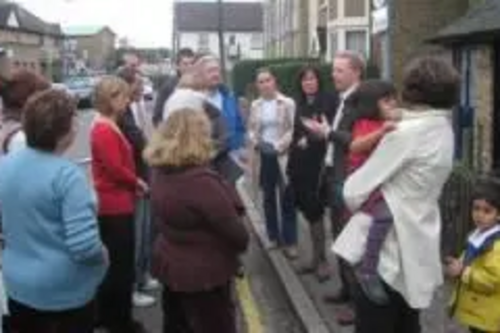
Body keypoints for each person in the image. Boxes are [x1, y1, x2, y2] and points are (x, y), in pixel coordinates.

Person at [328, 55, 459, 332]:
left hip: (386, 258)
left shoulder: (406, 134)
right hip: (419, 247)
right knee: (408, 324)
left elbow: (353, 191)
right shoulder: (443, 128)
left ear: (412, 89)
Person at [0, 89, 108, 333]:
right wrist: (103, 257)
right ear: (66, 129)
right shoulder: (67, 176)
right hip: (64, 292)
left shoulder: (5, 165)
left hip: (18, 285)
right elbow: (85, 246)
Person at [144, 108, 249, 333]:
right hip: (204, 274)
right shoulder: (200, 181)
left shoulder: (159, 170)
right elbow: (237, 234)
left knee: (178, 324)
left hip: (173, 264)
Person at [306, 80, 399, 302]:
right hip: (366, 188)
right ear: (372, 104)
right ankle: (364, 278)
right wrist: (382, 132)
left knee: (360, 236)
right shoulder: (367, 124)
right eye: (387, 100)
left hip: (374, 186)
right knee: (368, 230)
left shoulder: (386, 119)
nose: (394, 103)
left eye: (394, 98)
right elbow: (356, 145)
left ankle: (357, 290)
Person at [302, 50, 365, 325]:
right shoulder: (342, 99)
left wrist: (327, 132)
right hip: (331, 175)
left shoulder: (362, 100)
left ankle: (357, 303)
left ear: (356, 72)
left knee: (351, 242)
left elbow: (356, 140)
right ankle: (346, 290)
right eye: (334, 70)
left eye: (340, 70)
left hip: (347, 179)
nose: (333, 75)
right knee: (339, 237)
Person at [91, 76, 149, 333]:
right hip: (114, 205)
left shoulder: (106, 124)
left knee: (114, 264)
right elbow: (115, 169)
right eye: (123, 97)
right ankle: (121, 322)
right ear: (111, 99)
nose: (127, 101)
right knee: (120, 266)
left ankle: (107, 315)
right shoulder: (104, 128)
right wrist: (137, 181)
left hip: (115, 202)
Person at [287, 65, 337, 282]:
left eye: (312, 79)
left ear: (319, 81)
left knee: (317, 209)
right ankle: (315, 259)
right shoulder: (296, 102)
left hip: (319, 163)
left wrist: (313, 137)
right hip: (299, 162)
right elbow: (294, 130)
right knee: (308, 210)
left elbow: (331, 130)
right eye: (305, 80)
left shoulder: (329, 100)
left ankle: (323, 261)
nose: (309, 83)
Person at [116, 67, 159, 308]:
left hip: (144, 175)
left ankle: (142, 277)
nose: (142, 87)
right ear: (126, 85)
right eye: (138, 83)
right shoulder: (122, 113)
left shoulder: (139, 105)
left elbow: (147, 133)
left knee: (144, 232)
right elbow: (139, 140)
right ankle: (132, 286)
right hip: (135, 179)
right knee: (136, 234)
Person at [248, 68, 297, 258]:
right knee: (268, 197)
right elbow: (251, 129)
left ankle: (291, 241)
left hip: (282, 156)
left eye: (267, 80)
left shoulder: (287, 103)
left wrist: (277, 146)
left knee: (287, 197)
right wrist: (257, 142)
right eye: (260, 82)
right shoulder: (255, 105)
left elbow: (293, 129)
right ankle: (273, 237)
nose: (264, 84)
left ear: (274, 81)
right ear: (257, 85)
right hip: (263, 156)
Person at [447, 178, 500, 333]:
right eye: (476, 208)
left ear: (498, 214)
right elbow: (470, 261)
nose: (479, 215)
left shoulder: (496, 245)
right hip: (479, 312)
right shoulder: (476, 235)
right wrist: (457, 267)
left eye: (487, 211)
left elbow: (493, 280)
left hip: (490, 318)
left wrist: (463, 271)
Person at [197, 55, 246, 154]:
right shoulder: (194, 101)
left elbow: (239, 128)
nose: (215, 74)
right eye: (210, 71)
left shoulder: (230, 98)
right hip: (202, 160)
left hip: (230, 157)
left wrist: (239, 150)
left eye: (217, 70)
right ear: (200, 75)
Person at [0, 70, 50, 155]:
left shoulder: (9, 129)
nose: (49, 107)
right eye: (45, 100)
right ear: (31, 102)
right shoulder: (21, 140)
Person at [152, 48, 195, 126]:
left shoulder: (200, 84)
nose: (190, 67)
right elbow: (157, 117)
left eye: (192, 63)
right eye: (185, 64)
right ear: (177, 66)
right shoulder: (168, 87)